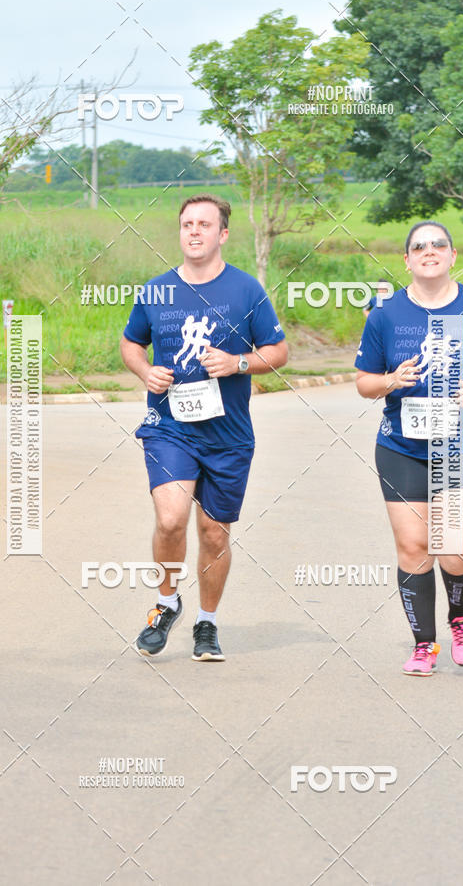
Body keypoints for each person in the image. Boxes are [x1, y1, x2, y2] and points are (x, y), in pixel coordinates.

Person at [120, 194, 288, 661]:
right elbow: (131, 343)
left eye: (204, 224)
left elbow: (278, 351)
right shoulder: (156, 290)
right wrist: (145, 371)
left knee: (214, 533)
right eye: (187, 224)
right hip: (169, 428)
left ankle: (206, 623)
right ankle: (166, 603)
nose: (194, 231)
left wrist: (238, 363)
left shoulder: (247, 290)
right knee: (171, 518)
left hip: (228, 435)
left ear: (223, 234)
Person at [355, 221, 463, 676]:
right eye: (419, 246)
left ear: (452, 256)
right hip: (402, 446)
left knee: (456, 549)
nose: (429, 250)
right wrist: (391, 380)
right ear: (407, 260)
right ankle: (424, 645)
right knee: (414, 548)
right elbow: (364, 383)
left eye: (438, 244)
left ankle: (460, 617)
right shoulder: (385, 314)